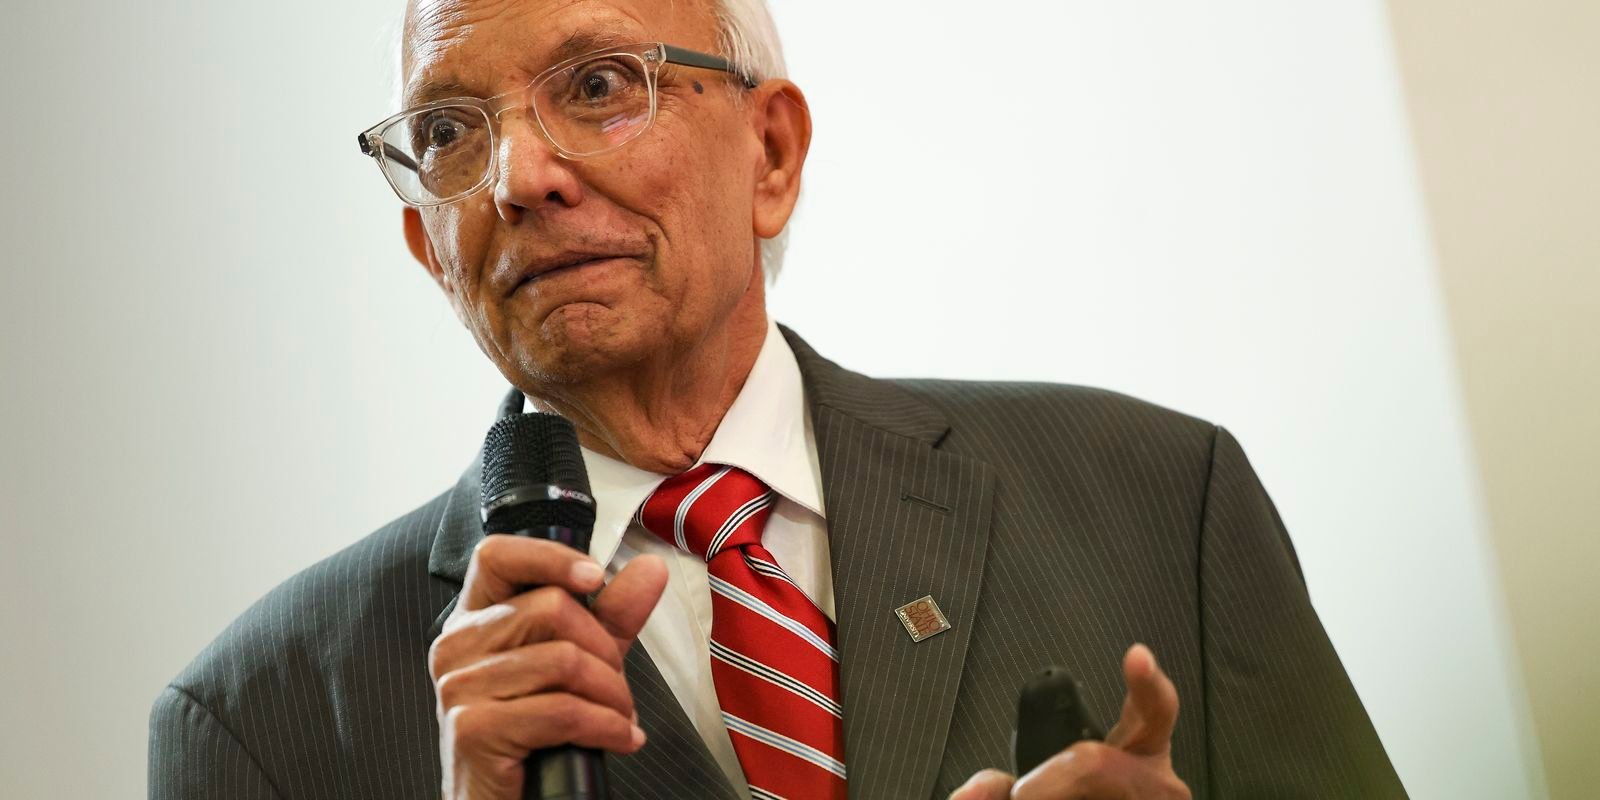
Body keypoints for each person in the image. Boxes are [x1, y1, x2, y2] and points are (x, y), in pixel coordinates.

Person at [148, 0, 1408, 797]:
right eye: (448, 135)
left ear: (772, 152)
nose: (520, 176)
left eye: (596, 85)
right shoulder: (256, 723)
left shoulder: (1156, 497)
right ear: (430, 248)